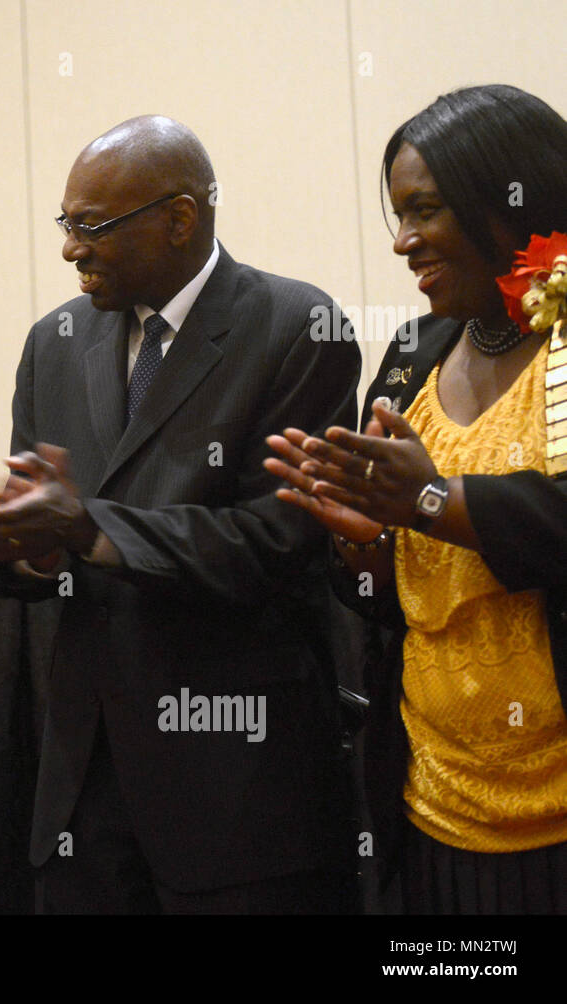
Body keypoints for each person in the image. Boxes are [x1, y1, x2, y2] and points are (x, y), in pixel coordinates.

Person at [0, 116, 361, 913]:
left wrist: (86, 529)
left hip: (237, 787)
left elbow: (276, 542)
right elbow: (49, 532)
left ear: (180, 218)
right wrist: (23, 549)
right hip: (83, 791)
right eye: (67, 225)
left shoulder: (295, 327)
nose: (72, 248)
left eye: (93, 227)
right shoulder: (55, 342)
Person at [265, 84, 567, 914]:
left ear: (510, 204)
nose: (402, 241)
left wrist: (431, 498)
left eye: (426, 210)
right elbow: (394, 593)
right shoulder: (414, 351)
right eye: (398, 214)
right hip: (428, 811)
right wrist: (363, 546)